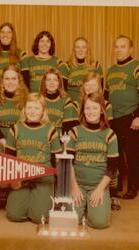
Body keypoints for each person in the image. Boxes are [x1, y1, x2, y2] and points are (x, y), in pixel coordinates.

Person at [5, 93, 61, 224]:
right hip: (22, 179)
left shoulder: (50, 130)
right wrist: (12, 180)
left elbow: (56, 161)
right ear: (24, 109)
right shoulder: (16, 129)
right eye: (29, 107)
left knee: (39, 218)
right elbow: (9, 158)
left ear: (43, 111)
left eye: (36, 108)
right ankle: (27, 203)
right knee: (14, 216)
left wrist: (57, 188)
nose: (32, 111)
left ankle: (38, 203)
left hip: (43, 179)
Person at [68, 93, 119, 229]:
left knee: (99, 223)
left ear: (102, 110)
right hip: (78, 185)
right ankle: (84, 206)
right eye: (88, 108)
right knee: (71, 220)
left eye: (95, 108)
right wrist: (74, 187)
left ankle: (93, 206)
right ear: (83, 110)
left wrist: (100, 189)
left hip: (98, 185)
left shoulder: (110, 134)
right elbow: (68, 163)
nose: (91, 112)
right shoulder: (74, 132)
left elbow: (112, 167)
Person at [0, 65, 28, 208]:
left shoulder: (26, 99)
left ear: (19, 81)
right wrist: (5, 143)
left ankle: (12, 190)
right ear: (1, 81)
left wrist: (14, 144)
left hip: (19, 139)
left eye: (13, 78)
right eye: (7, 78)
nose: (10, 81)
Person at [105, 35, 139, 199]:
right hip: (114, 118)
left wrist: (138, 116)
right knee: (115, 154)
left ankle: (133, 188)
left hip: (131, 116)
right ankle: (116, 186)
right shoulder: (110, 70)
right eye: (116, 46)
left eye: (123, 46)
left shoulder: (136, 67)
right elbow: (105, 95)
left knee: (133, 155)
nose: (119, 49)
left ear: (131, 49)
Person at [81, 72, 119, 210]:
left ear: (99, 87)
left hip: (101, 137)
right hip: (83, 137)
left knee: (111, 160)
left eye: (93, 85)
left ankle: (113, 195)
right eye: (87, 85)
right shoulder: (77, 103)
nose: (90, 88)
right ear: (83, 87)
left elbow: (109, 126)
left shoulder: (106, 104)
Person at [0, 22, 29, 97]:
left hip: (16, 97)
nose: (5, 35)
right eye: (2, 32)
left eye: (9, 32)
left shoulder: (21, 54)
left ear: (12, 35)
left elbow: (26, 81)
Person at [40, 68, 78, 134]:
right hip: (42, 136)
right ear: (44, 82)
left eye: (55, 80)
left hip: (59, 138)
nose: (52, 83)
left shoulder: (66, 100)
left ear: (59, 83)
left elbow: (67, 126)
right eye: (49, 80)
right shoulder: (39, 100)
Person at [67, 37, 103, 104]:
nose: (80, 50)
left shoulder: (96, 65)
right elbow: (62, 90)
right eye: (77, 47)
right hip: (72, 106)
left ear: (87, 49)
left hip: (91, 106)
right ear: (74, 50)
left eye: (83, 47)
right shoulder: (67, 66)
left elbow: (101, 90)